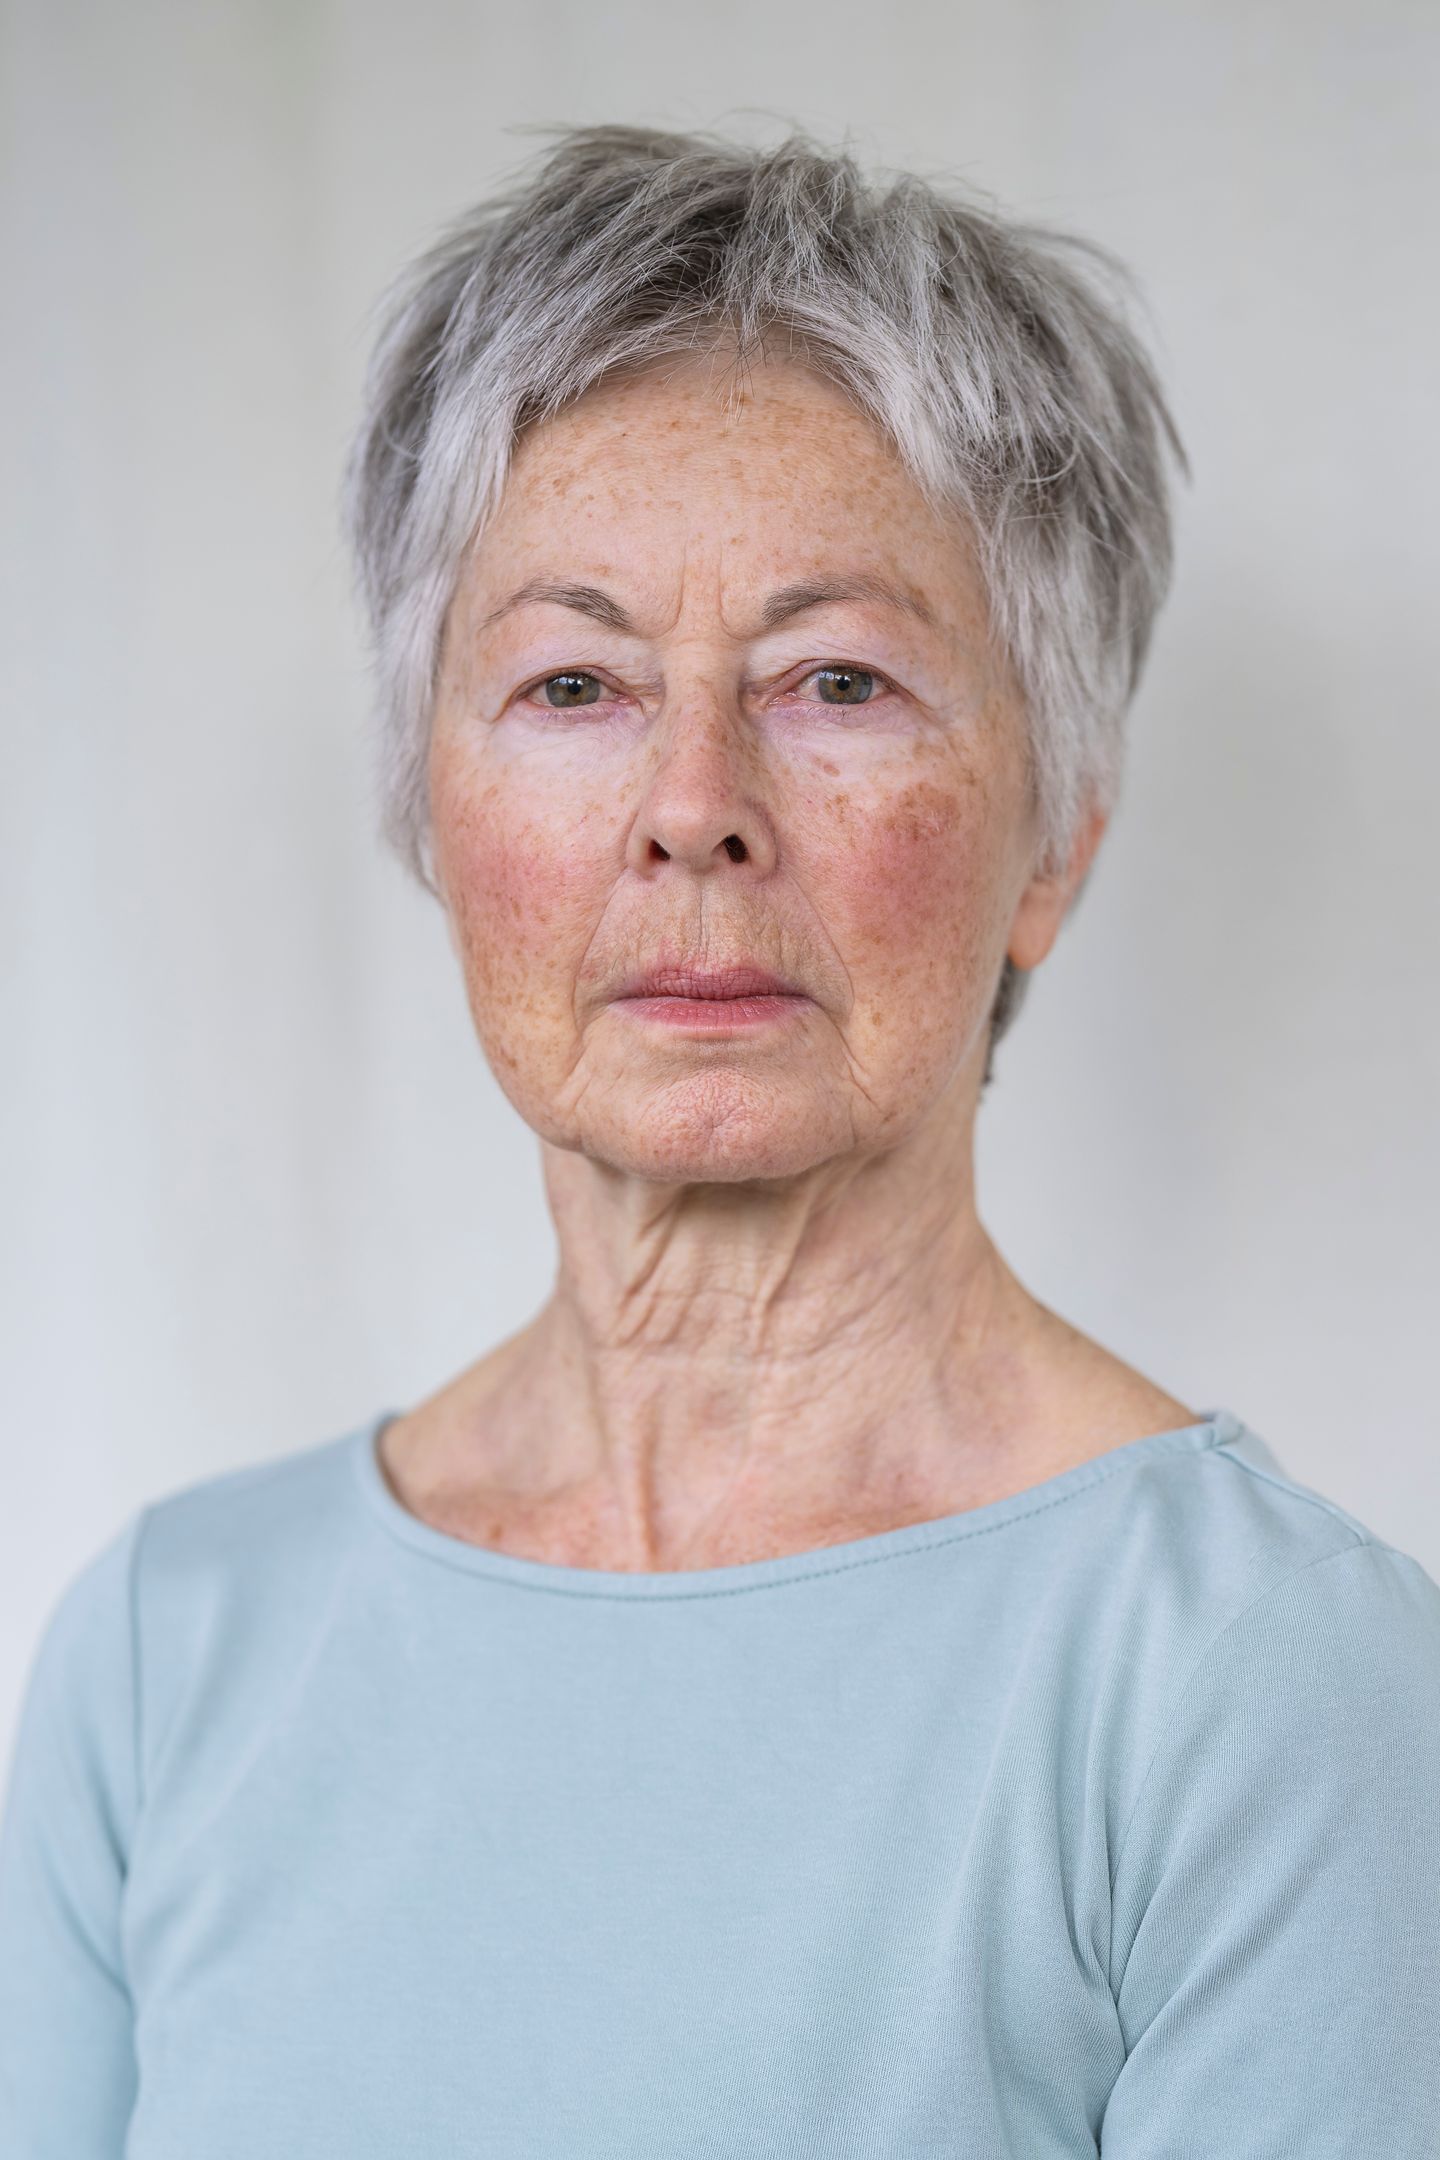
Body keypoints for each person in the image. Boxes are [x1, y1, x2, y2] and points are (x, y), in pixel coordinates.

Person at [2, 123, 1438, 2157]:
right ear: (430, 816)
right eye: (573, 683)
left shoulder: (1260, 1678)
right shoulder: (169, 1657)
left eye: (837, 679)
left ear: (1054, 843)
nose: (694, 805)